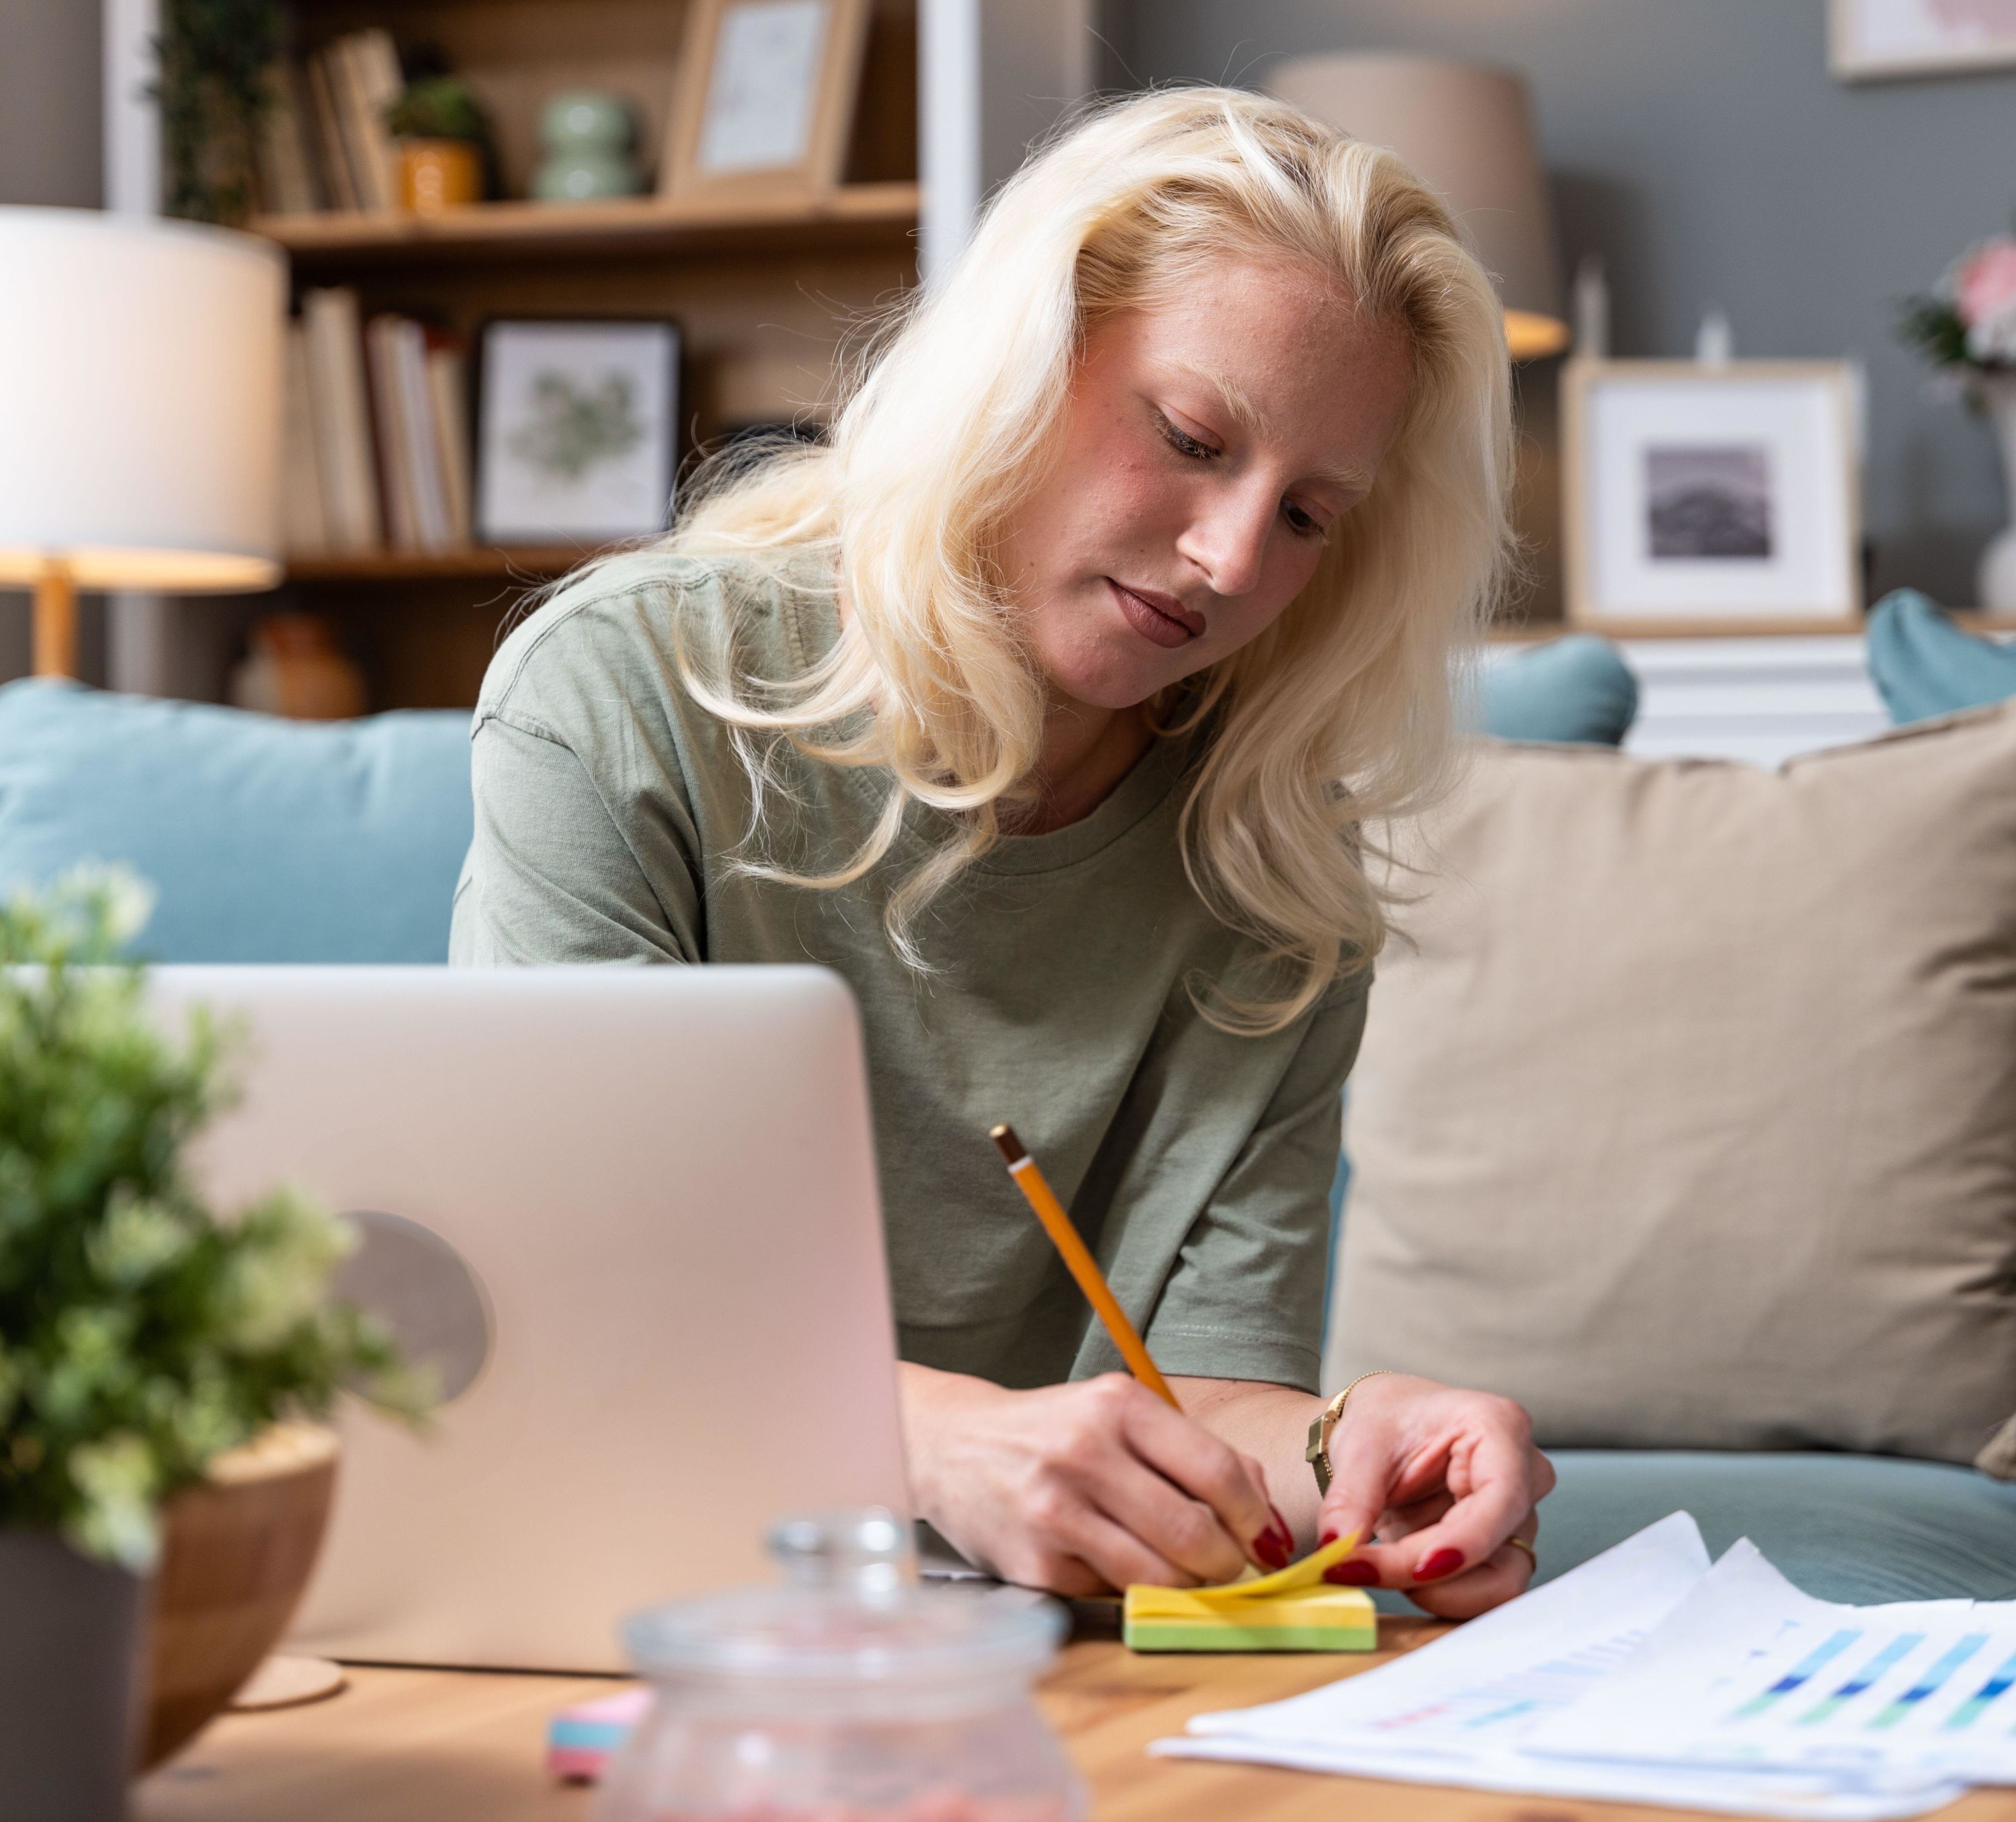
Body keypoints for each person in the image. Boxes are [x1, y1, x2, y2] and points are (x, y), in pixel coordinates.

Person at [452, 87, 1552, 1617]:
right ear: (1015, 363)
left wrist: (1351, 1452)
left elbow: (1208, 1409)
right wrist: (920, 1439)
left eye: (1306, 513)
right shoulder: (622, 695)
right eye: (1187, 435)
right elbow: (549, 1281)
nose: (1232, 560)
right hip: (624, 1566)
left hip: (995, 1643)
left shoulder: (1273, 866)